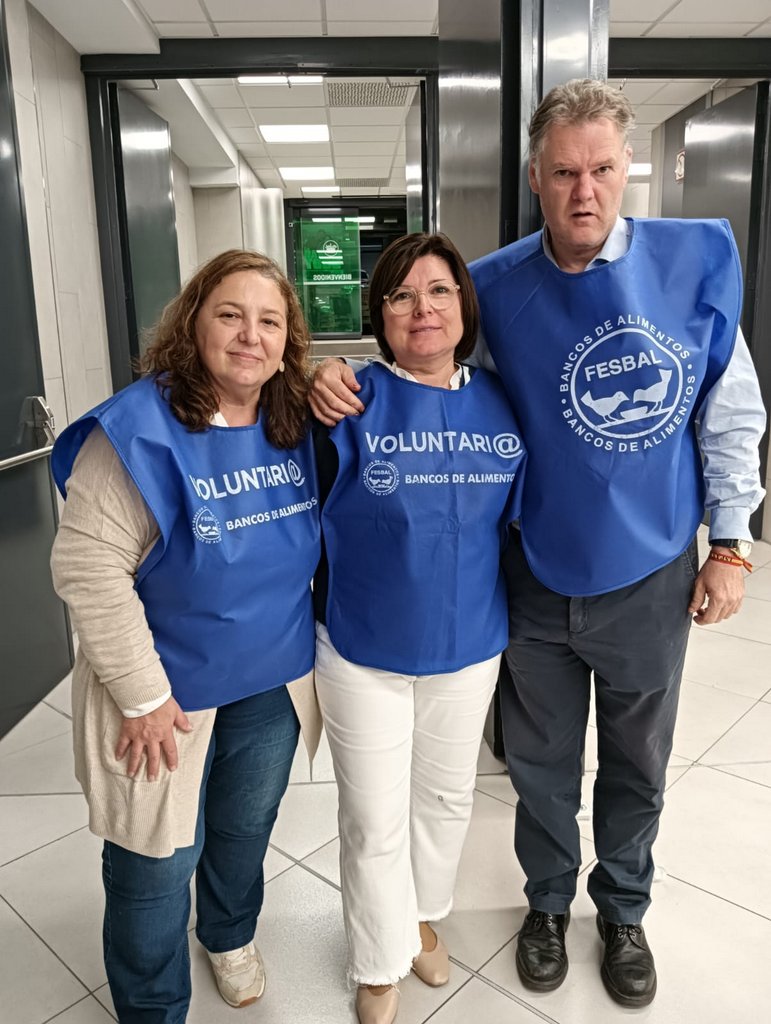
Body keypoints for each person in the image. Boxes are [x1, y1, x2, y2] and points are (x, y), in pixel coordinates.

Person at [309, 80, 766, 1010]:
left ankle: (623, 910)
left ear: (626, 166)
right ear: (534, 176)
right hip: (533, 576)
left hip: (649, 573)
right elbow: (432, 373)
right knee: (542, 763)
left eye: (600, 169)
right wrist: (334, 375)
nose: (582, 190)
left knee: (637, 759)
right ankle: (548, 904)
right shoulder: (492, 287)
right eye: (562, 172)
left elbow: (730, 412)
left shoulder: (691, 263)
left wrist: (730, 542)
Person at [50, 250, 322, 1023]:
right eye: (229, 315)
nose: (250, 335)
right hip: (164, 693)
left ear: (288, 340)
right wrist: (141, 696)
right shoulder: (138, 430)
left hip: (271, 679)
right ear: (193, 322)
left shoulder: (292, 420)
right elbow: (87, 569)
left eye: (269, 321)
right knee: (155, 860)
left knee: (242, 829)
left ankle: (228, 936)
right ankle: (152, 1004)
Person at [313, 232, 525, 1024]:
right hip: (361, 646)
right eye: (400, 295)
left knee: (443, 800)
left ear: (465, 306)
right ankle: (377, 963)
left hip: (467, 642)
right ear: (380, 315)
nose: (422, 309)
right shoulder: (346, 400)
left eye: (438, 291)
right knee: (373, 820)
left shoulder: (503, 399)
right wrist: (310, 374)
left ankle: (422, 918)